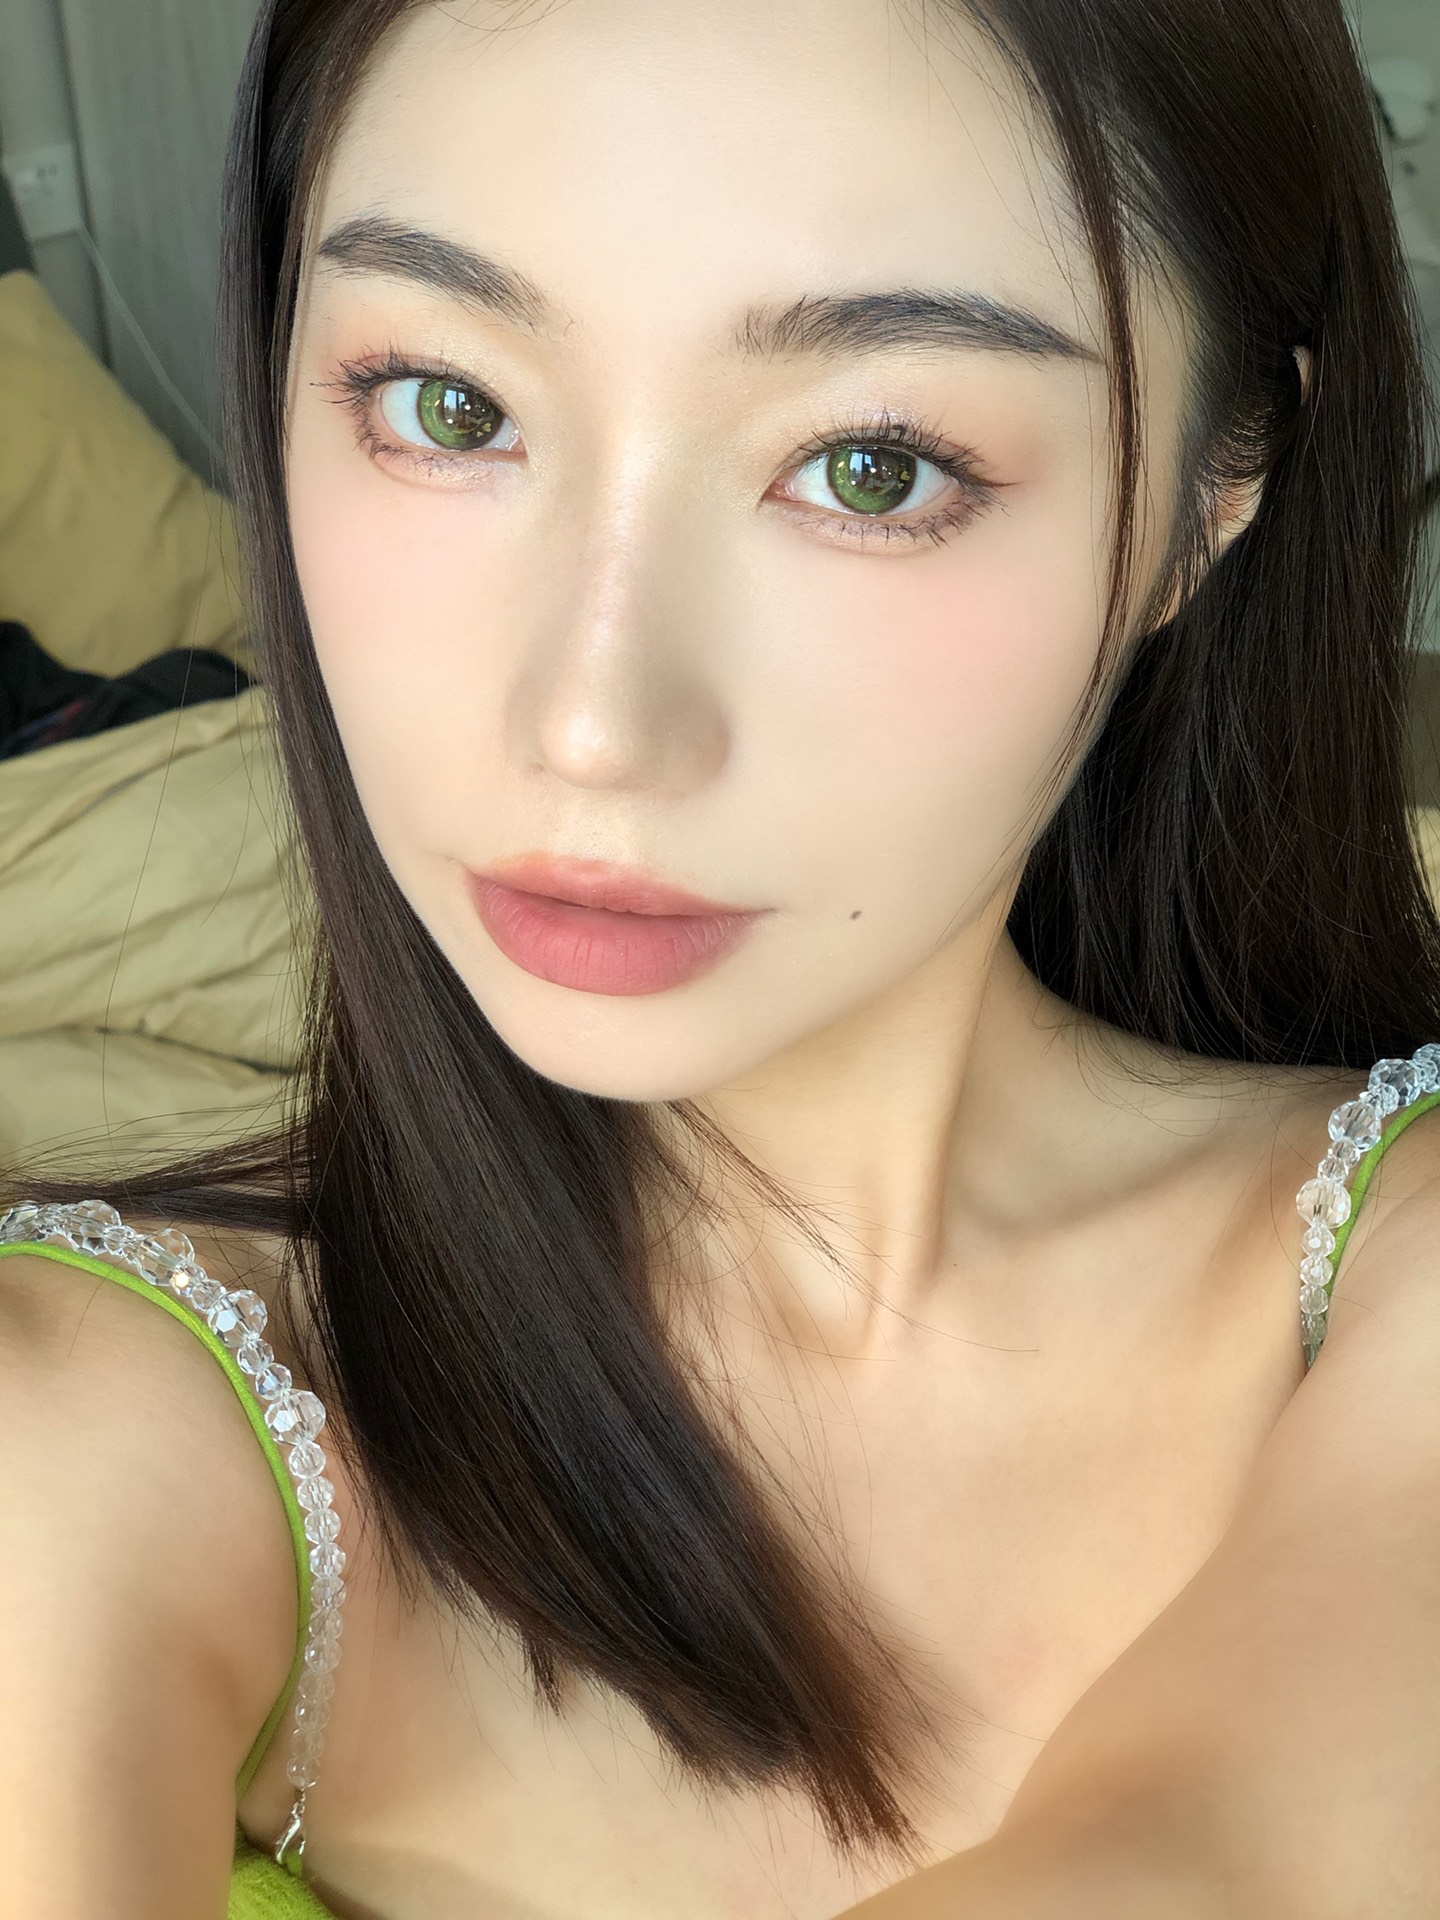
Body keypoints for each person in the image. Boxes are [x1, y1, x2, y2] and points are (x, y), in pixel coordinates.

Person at [4, 0, 1440, 1913]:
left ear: (1214, 492)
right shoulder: (84, 1429)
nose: (592, 724)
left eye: (872, 468)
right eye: (448, 407)